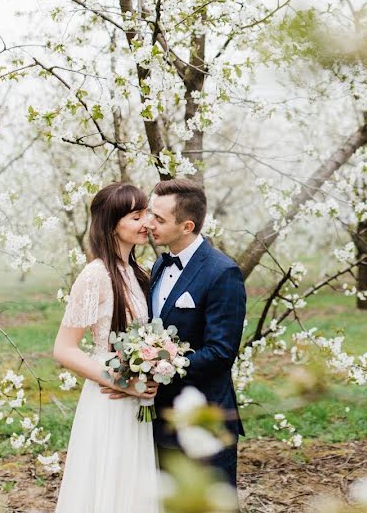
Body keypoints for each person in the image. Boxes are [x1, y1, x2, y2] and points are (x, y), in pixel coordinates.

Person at [102, 178, 247, 488]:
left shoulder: (222, 272)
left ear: (187, 226)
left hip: (202, 420)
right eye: (149, 213)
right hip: (159, 419)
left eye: (159, 218)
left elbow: (221, 353)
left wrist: (158, 370)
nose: (148, 223)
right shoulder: (157, 267)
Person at [52, 182, 160, 512]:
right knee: (109, 483)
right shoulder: (95, 275)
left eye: (147, 214)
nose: (147, 223)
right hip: (110, 398)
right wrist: (122, 381)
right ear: (112, 222)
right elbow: (64, 349)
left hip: (139, 398)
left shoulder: (138, 273)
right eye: (137, 216)